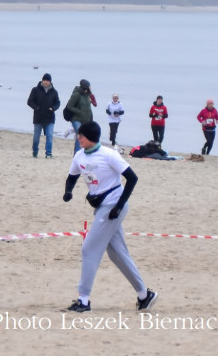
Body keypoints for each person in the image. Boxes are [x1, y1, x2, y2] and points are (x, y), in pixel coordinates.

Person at [62, 121, 157, 314]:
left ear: (90, 137)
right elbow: (72, 176)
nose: (78, 137)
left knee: (88, 249)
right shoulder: (79, 156)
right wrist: (68, 191)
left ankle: (84, 300)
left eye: (81, 135)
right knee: (117, 254)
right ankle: (144, 295)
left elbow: (132, 178)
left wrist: (119, 206)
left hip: (114, 206)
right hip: (101, 208)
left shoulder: (109, 155)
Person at [27, 73, 61, 158]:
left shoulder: (54, 91)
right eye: (44, 80)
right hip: (38, 117)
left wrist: (53, 108)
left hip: (49, 118)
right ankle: (35, 151)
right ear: (42, 80)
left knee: (49, 135)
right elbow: (30, 101)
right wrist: (36, 108)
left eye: (47, 80)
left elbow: (58, 102)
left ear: (50, 82)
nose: (46, 82)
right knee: (36, 136)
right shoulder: (35, 90)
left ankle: (48, 153)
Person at [65, 79, 94, 153]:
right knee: (80, 133)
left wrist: (90, 118)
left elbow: (88, 108)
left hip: (86, 120)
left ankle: (78, 152)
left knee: (83, 136)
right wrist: (79, 112)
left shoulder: (87, 95)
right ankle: (77, 152)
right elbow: (69, 106)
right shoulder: (77, 94)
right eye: (88, 87)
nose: (89, 88)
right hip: (76, 119)